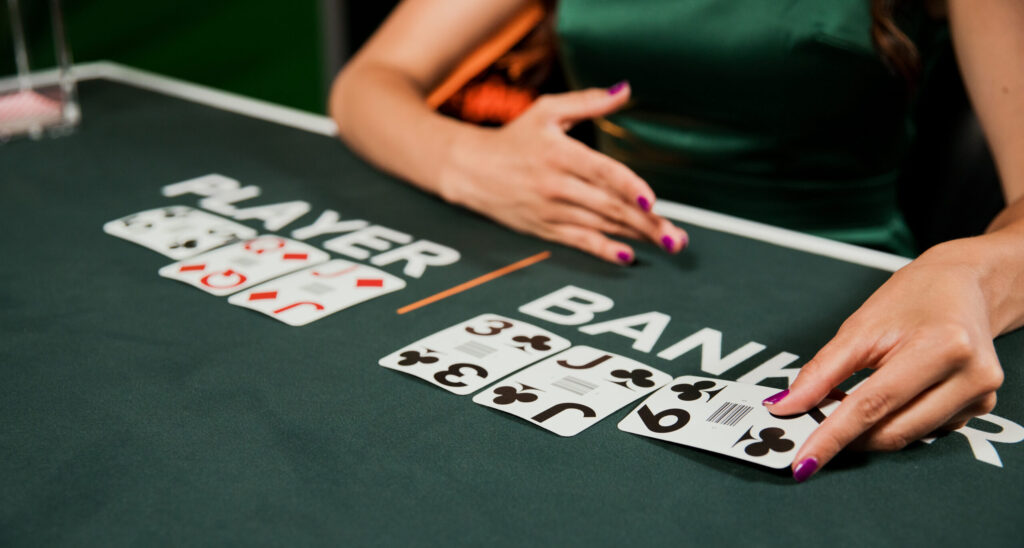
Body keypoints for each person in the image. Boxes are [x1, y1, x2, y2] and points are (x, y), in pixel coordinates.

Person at [328, 0, 1024, 482]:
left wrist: (970, 269)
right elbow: (368, 83)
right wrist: (467, 161)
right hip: (592, 258)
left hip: (839, 296)